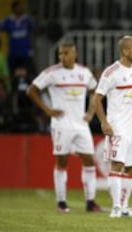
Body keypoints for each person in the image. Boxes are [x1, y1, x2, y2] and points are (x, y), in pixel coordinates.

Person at [27, 41, 102, 213]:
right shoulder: (52, 73)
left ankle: (90, 202)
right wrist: (47, 110)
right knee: (62, 161)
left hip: (81, 124)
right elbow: (31, 90)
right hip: (61, 125)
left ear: (75, 55)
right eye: (60, 54)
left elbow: (95, 91)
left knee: (89, 160)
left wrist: (90, 112)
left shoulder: (84, 72)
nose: (62, 56)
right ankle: (61, 202)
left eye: (66, 53)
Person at [93, 36, 132, 218]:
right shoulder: (111, 72)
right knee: (117, 164)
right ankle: (116, 207)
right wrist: (104, 122)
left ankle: (125, 207)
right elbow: (96, 98)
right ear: (126, 51)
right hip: (117, 126)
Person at [0, 0, 34, 74]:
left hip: (26, 53)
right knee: (13, 75)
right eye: (19, 7)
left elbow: (36, 29)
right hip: (13, 53)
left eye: (22, 7)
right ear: (14, 8)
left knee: (27, 74)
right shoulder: (8, 20)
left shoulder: (28, 20)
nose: (21, 8)